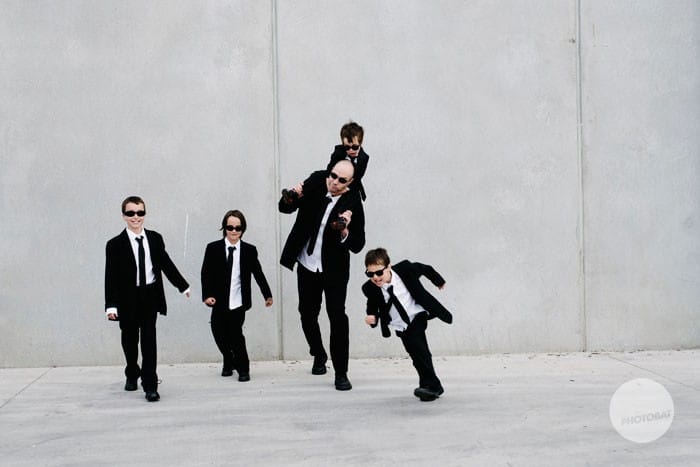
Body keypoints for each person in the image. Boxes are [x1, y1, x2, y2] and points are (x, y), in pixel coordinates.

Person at [279, 160, 365, 391]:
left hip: (334, 271)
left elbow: (358, 244)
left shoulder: (353, 203)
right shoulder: (316, 184)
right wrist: (292, 196)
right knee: (307, 314)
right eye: (333, 175)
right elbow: (284, 208)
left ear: (350, 183)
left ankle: (341, 373)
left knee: (337, 317)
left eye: (341, 180)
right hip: (307, 264)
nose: (334, 182)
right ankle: (318, 354)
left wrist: (345, 231)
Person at [105, 196, 190, 402]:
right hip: (127, 298)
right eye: (131, 213)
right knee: (129, 339)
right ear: (124, 216)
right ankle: (132, 371)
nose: (136, 217)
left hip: (150, 295)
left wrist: (182, 285)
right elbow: (111, 276)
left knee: (149, 340)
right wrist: (111, 305)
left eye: (140, 212)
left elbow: (166, 264)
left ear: (145, 214)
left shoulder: (155, 238)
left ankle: (150, 384)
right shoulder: (115, 244)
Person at [361, 248, 453, 402]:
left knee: (419, 348)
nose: (375, 277)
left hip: (416, 315)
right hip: (400, 324)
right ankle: (432, 386)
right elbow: (372, 305)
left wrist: (438, 280)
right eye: (370, 274)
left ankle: (429, 386)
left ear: (388, 267)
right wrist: (372, 316)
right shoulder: (369, 288)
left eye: (379, 272)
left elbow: (425, 269)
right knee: (416, 355)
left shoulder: (405, 269)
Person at [200, 210, 273, 381]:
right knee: (218, 332)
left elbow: (258, 273)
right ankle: (228, 359)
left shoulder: (249, 250)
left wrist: (267, 295)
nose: (233, 231)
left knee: (236, 335)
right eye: (230, 227)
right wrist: (207, 295)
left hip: (238, 301)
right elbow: (206, 273)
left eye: (238, 228)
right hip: (219, 301)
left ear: (242, 229)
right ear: (224, 228)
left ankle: (243, 369)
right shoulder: (213, 248)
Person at [325, 121, 370, 201]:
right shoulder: (338, 152)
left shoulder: (363, 158)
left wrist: (345, 190)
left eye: (355, 147)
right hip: (335, 185)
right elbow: (329, 170)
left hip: (352, 187)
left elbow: (357, 178)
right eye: (347, 147)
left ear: (360, 143)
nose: (351, 150)